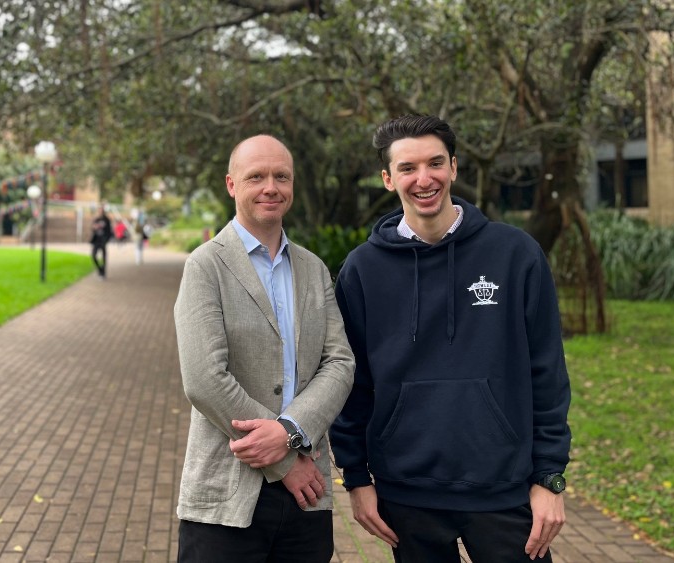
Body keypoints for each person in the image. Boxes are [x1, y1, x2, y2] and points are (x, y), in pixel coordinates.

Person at [329, 114, 572, 562]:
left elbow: (548, 375)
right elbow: (350, 382)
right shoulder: (363, 270)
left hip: (506, 490)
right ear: (388, 178)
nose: (424, 179)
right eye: (407, 168)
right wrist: (357, 479)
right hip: (407, 495)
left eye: (435, 163)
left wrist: (550, 477)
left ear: (454, 168)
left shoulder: (516, 255)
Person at [174, 134, 355, 562]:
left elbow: (340, 362)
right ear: (232, 184)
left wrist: (291, 433)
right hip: (226, 496)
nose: (270, 186)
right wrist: (285, 462)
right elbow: (204, 379)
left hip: (306, 500)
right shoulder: (205, 266)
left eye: (281, 176)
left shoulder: (313, 268)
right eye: (256, 176)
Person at [90, 206, 112, 278]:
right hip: (96, 240)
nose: (100, 211)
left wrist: (106, 240)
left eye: (101, 210)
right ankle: (100, 269)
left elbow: (109, 231)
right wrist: (94, 227)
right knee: (93, 256)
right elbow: (93, 229)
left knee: (104, 257)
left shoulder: (107, 220)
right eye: (99, 210)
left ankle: (103, 272)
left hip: (103, 240)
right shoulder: (96, 219)